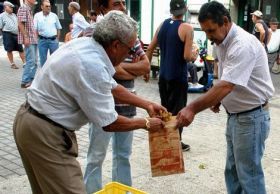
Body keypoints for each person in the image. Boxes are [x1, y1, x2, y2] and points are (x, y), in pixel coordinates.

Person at [13, 11, 165, 194]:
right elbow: (110, 123)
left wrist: (146, 104)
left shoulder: (86, 45)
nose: (131, 52)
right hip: (45, 133)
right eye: (130, 48)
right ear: (116, 45)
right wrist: (146, 123)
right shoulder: (92, 64)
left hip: (29, 122)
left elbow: (112, 87)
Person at [176, 2, 274, 194]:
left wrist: (191, 108)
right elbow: (229, 78)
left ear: (225, 22)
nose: (209, 36)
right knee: (233, 172)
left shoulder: (242, 44)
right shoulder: (222, 42)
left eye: (211, 30)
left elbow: (227, 84)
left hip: (251, 118)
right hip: (237, 117)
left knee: (249, 176)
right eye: (205, 32)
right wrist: (219, 99)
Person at [83, 1, 150, 193]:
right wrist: (130, 70)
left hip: (127, 105)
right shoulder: (93, 34)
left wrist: (118, 69)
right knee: (96, 156)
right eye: (116, 3)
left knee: (123, 155)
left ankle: (122, 191)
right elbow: (106, 72)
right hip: (102, 106)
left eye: (123, 2)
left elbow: (145, 66)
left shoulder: (130, 35)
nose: (122, 6)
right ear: (104, 9)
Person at [145, 0, 195, 151]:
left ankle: (165, 140)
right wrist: (194, 54)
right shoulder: (187, 28)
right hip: (178, 77)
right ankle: (174, 144)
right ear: (185, 9)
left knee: (165, 110)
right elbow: (186, 56)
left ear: (171, 10)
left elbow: (150, 48)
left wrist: (146, 69)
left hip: (163, 76)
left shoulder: (162, 25)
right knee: (178, 112)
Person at [34, 0, 62, 67]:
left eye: (49, 6)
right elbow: (35, 29)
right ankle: (44, 76)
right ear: (42, 7)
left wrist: (57, 40)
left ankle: (54, 75)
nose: (49, 8)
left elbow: (59, 28)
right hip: (42, 41)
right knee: (43, 61)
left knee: (55, 60)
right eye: (46, 6)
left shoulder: (54, 16)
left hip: (53, 41)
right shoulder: (37, 16)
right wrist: (37, 39)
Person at [17, 0, 38, 88]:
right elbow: (20, 23)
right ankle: (25, 81)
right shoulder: (23, 8)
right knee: (31, 61)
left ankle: (31, 80)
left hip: (33, 39)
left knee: (34, 61)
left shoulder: (28, 9)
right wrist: (26, 37)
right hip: (29, 39)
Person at [0, 1, 25, 69]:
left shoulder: (14, 15)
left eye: (12, 7)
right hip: (7, 34)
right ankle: (12, 63)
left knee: (21, 49)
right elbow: (0, 27)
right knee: (9, 49)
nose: (12, 8)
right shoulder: (1, 16)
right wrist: (4, 35)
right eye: (10, 7)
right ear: (5, 7)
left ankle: (25, 63)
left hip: (16, 34)